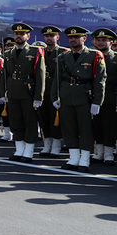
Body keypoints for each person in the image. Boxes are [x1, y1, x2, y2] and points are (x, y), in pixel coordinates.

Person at [53, 26, 106, 172]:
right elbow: (57, 79)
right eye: (71, 37)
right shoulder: (63, 57)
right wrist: (55, 96)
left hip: (84, 97)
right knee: (69, 127)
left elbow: (100, 80)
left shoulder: (94, 55)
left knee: (85, 129)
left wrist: (97, 101)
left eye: (76, 37)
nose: (73, 40)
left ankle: (84, 160)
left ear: (84, 38)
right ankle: (74, 158)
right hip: (66, 96)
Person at [0, 23, 45, 162]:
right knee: (15, 122)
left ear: (28, 36)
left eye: (22, 34)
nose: (18, 36)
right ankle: (19, 150)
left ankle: (28, 152)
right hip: (13, 92)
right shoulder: (8, 53)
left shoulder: (35, 52)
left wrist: (38, 96)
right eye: (16, 34)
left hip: (28, 93)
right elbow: (4, 76)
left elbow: (40, 75)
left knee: (29, 122)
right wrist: (3, 93)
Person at [37, 26, 68, 157]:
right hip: (43, 90)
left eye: (52, 36)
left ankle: (56, 146)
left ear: (57, 37)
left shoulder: (63, 52)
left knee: (55, 119)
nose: (49, 38)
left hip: (57, 90)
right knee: (43, 118)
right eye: (46, 36)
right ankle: (47, 145)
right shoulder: (40, 52)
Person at [91, 28, 117, 165]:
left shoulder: (115, 58)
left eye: (104, 40)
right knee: (96, 126)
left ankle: (108, 154)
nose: (100, 42)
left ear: (111, 42)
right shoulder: (91, 56)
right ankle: (98, 153)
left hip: (110, 97)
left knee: (109, 126)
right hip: (93, 97)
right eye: (98, 40)